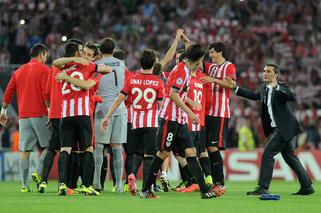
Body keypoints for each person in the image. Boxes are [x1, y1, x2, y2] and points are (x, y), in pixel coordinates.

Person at [138, 44, 217, 199]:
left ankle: (204, 190)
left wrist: (190, 104)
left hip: (179, 119)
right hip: (170, 118)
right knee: (163, 153)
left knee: (191, 152)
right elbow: (173, 94)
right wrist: (191, 112)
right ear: (199, 59)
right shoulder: (181, 70)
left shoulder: (185, 69)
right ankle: (146, 189)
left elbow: (178, 93)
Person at [226, 63, 314, 195]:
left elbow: (293, 96)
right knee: (290, 157)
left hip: (284, 128)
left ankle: (263, 186)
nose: (264, 73)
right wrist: (235, 88)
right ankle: (307, 187)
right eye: (264, 71)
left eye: (268, 71)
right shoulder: (264, 89)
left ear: (276, 75)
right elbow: (253, 95)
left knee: (268, 154)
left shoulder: (282, 87)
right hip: (277, 129)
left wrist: (277, 87)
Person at [101, 49, 164, 196]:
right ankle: (146, 189)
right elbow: (161, 105)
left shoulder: (132, 79)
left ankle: (132, 174)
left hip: (134, 123)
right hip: (151, 123)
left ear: (140, 63)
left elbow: (119, 100)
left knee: (136, 153)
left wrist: (107, 116)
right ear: (154, 64)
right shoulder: (158, 82)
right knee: (149, 156)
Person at [53, 42, 111, 196]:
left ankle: (64, 185)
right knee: (87, 148)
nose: (85, 56)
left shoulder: (67, 67)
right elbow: (86, 84)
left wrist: (67, 76)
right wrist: (77, 60)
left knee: (66, 149)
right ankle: (84, 185)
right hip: (82, 114)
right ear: (80, 53)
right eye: (83, 53)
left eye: (88, 54)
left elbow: (55, 63)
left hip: (66, 115)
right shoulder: (87, 67)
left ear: (94, 57)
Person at [0, 43, 51, 192]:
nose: (46, 59)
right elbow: (45, 92)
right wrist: (49, 109)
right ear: (41, 54)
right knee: (49, 146)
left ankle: (24, 184)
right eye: (46, 56)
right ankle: (38, 173)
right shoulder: (44, 69)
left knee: (25, 150)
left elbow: (8, 91)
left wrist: (3, 111)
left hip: (23, 117)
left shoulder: (18, 71)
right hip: (40, 113)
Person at [200, 41, 237, 196]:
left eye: (213, 52)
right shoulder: (211, 67)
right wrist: (186, 41)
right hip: (207, 113)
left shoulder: (229, 66)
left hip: (220, 113)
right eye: (209, 52)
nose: (211, 55)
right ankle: (215, 182)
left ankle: (220, 183)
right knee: (207, 148)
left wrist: (213, 80)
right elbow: (196, 60)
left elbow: (232, 85)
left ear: (220, 51)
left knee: (213, 147)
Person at [93, 37, 127, 193]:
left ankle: (96, 182)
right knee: (117, 147)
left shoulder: (96, 65)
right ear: (113, 50)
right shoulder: (122, 64)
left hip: (102, 108)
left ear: (100, 50)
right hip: (120, 108)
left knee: (99, 147)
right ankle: (119, 185)